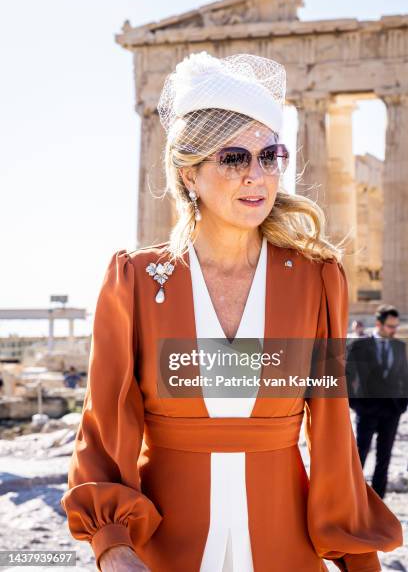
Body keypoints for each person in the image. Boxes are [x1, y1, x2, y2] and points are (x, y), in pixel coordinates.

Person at [60, 51, 403, 572]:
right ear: (188, 173)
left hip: (286, 549)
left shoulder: (317, 279)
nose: (257, 176)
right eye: (234, 158)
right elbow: (107, 429)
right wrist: (113, 547)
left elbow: (333, 436)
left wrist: (359, 558)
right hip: (164, 552)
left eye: (270, 156)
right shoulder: (133, 281)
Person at [346, 305, 408, 499]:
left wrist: (402, 404)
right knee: (359, 455)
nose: (393, 330)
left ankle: (378, 502)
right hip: (366, 410)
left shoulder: (400, 347)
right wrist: (355, 403)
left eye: (395, 326)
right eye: (390, 326)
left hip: (392, 410)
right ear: (379, 323)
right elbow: (347, 377)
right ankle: (353, 498)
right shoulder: (359, 346)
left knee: (384, 458)